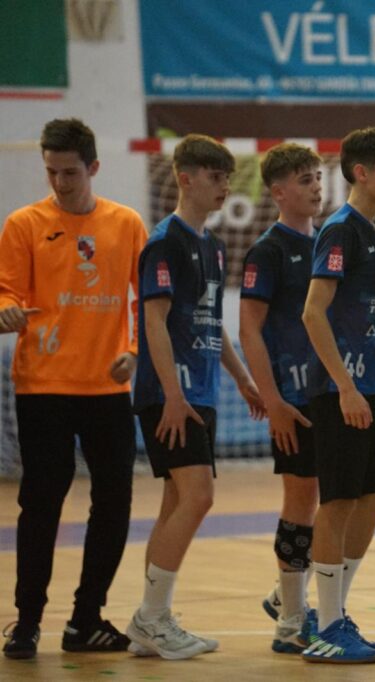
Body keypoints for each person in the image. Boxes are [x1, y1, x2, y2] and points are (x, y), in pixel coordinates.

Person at [0, 118, 147, 659]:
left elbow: (145, 300)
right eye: (51, 172)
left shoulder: (126, 224)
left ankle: (86, 619)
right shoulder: (23, 224)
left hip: (107, 388)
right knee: (41, 503)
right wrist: (5, 312)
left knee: (113, 502)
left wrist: (135, 351)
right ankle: (27, 622)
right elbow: (5, 292)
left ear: (93, 168)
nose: (60, 183)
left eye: (70, 172)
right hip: (43, 386)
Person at [126, 134, 265, 660]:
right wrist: (172, 393)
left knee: (176, 502)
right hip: (172, 393)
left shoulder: (214, 245)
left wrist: (242, 378)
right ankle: (150, 618)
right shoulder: (165, 241)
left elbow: (210, 322)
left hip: (201, 391)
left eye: (227, 177)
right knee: (199, 497)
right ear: (185, 179)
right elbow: (153, 322)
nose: (224, 186)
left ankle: (154, 618)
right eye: (214, 176)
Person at [299, 127, 375, 665]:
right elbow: (313, 313)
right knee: (337, 501)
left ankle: (328, 609)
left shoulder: (369, 229)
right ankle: (326, 624)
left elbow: (356, 316)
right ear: (361, 172)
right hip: (337, 391)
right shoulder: (340, 229)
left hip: (364, 385)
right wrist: (344, 386)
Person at [238, 143, 323, 653]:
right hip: (292, 397)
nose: (316, 187)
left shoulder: (328, 242)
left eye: (318, 177)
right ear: (278, 192)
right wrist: (272, 401)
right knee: (301, 499)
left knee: (346, 498)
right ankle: (291, 619)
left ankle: (285, 593)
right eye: (304, 180)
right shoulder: (268, 251)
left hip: (330, 391)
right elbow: (249, 329)